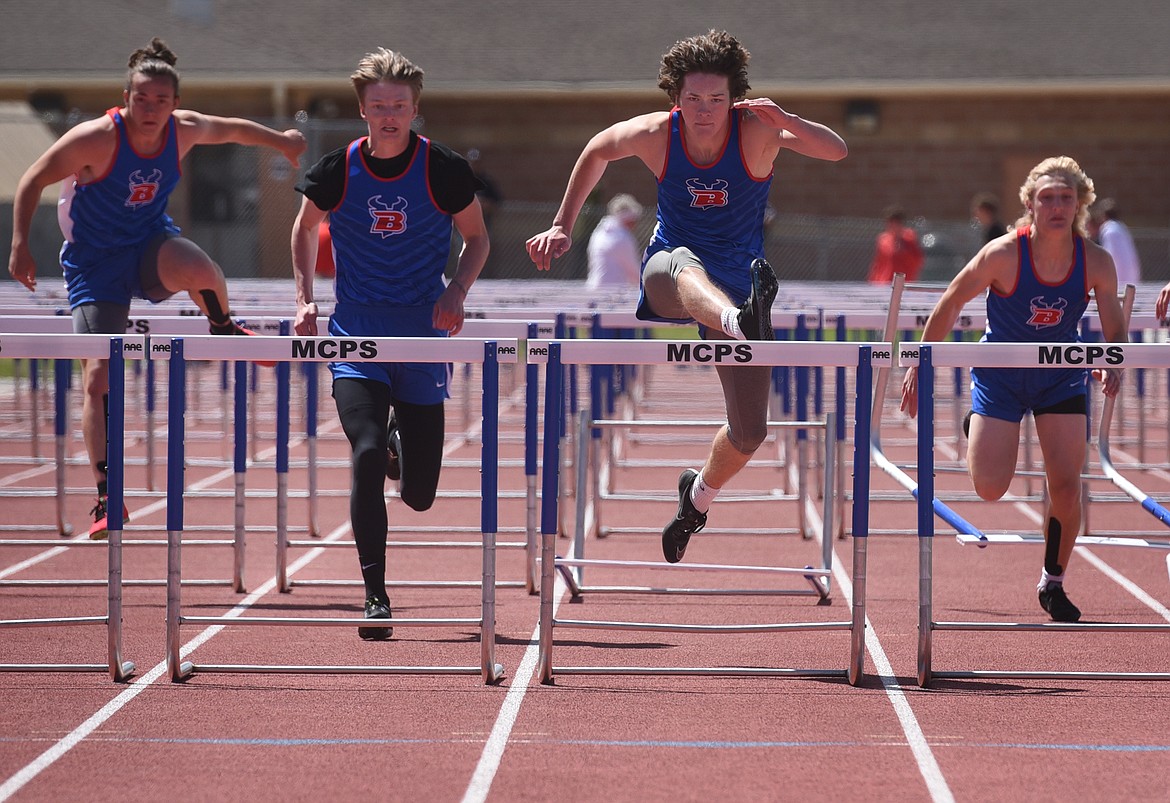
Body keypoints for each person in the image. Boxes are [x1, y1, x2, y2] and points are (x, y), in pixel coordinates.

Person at [526, 29, 847, 564]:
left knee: (750, 433)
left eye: (716, 100)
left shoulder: (757, 132)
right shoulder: (657, 134)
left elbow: (836, 150)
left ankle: (695, 498)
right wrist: (562, 224)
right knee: (683, 262)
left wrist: (787, 119)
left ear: (734, 98)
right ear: (675, 98)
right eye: (693, 100)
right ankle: (738, 320)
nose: (704, 111)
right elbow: (597, 148)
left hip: (740, 284)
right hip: (669, 273)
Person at [6, 37, 306, 540]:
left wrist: (282, 141)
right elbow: (34, 179)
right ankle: (106, 495)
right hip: (95, 265)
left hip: (149, 244)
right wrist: (19, 245)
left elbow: (232, 129)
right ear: (126, 96)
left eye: (161, 101)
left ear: (174, 104)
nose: (150, 109)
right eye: (141, 99)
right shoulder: (95, 138)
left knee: (204, 270)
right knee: (99, 376)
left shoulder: (183, 131)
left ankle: (224, 329)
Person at [290, 48, 489, 640]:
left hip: (423, 337)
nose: (389, 115)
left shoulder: (443, 168)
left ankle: (407, 448)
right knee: (366, 452)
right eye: (378, 107)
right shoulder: (336, 168)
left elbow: (477, 238)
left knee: (421, 495)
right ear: (363, 110)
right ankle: (375, 592)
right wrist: (304, 298)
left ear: (414, 108)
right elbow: (303, 229)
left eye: (399, 106)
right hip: (356, 337)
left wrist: (456, 289)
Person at [900, 156, 1126, 623]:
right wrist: (920, 363)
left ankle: (1054, 581)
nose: (1057, 206)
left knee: (1066, 485)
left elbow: (1115, 333)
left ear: (1080, 204)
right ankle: (975, 425)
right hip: (1000, 375)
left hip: (1059, 378)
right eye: (1047, 198)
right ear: (1029, 204)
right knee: (989, 487)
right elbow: (951, 299)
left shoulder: (1096, 262)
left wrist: (1108, 362)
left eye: (1066, 198)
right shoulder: (1003, 253)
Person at [585, 193, 644, 290]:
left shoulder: (600, 231)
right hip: (613, 290)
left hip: (594, 286)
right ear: (628, 219)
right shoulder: (622, 237)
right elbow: (633, 270)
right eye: (633, 221)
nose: (635, 225)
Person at [1090, 198, 1141, 288]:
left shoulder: (1109, 230)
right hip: (1132, 277)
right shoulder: (1121, 228)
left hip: (1119, 278)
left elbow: (1110, 255)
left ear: (1104, 216)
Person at [868, 205, 924, 284]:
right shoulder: (883, 239)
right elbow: (879, 263)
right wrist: (873, 280)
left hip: (905, 281)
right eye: (891, 223)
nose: (893, 226)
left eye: (896, 223)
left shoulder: (910, 237)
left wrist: (903, 249)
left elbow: (918, 261)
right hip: (885, 281)